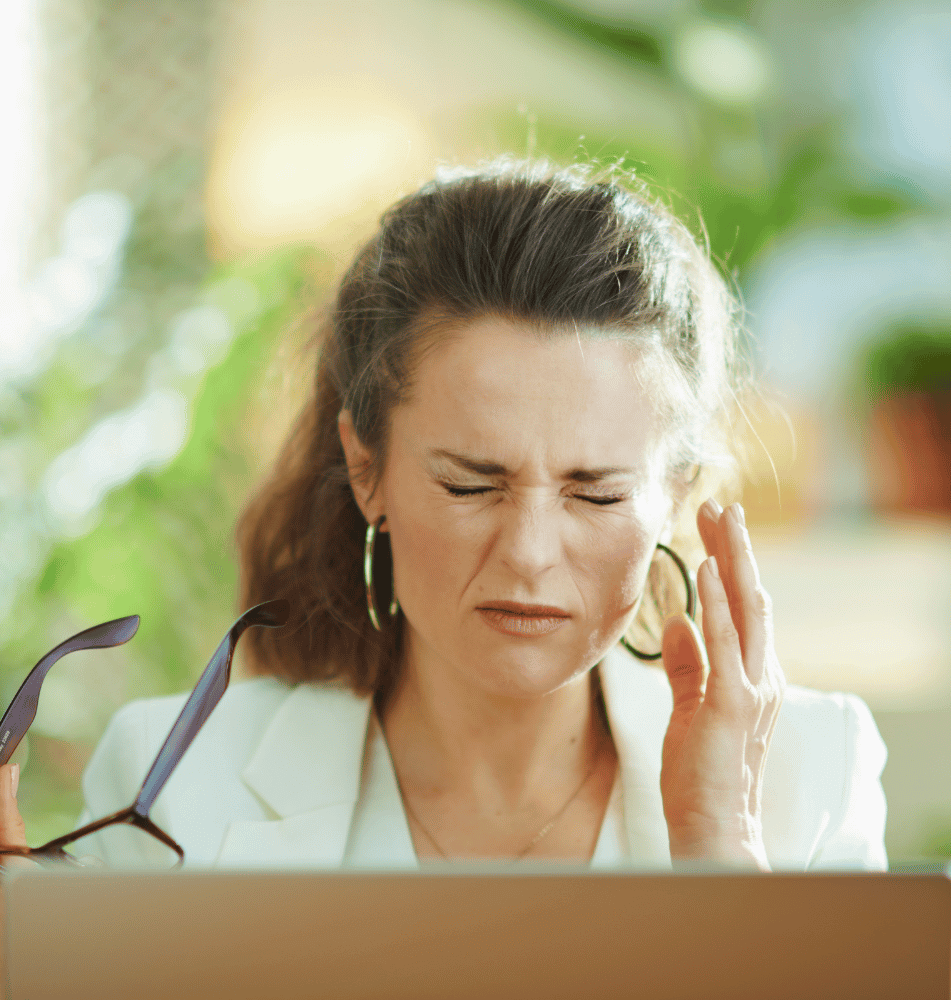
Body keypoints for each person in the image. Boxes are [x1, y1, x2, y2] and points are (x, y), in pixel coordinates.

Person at [0, 158, 888, 870]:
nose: (531, 554)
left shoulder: (811, 777)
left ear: (679, 494)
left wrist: (721, 851)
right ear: (366, 468)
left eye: (597, 493)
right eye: (471, 484)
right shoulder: (174, 781)